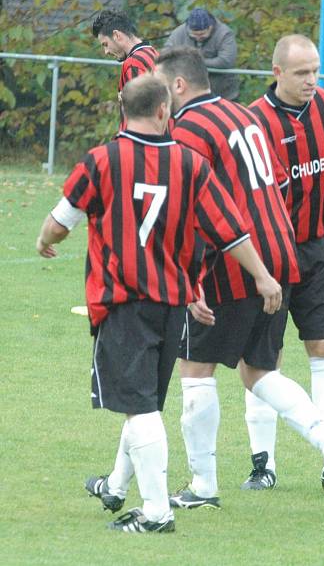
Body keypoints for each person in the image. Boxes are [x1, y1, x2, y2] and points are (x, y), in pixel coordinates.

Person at [35, 75, 279, 533]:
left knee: (139, 408)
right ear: (166, 109)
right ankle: (115, 486)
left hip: (123, 302)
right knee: (143, 402)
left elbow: (60, 221)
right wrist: (263, 277)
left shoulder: (102, 161)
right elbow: (231, 231)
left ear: (122, 109)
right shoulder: (190, 164)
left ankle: (155, 513)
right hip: (172, 305)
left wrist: (45, 239)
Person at [153, 47, 324, 511]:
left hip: (234, 260)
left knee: (195, 370)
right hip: (280, 250)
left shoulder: (187, 130)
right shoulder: (240, 114)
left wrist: (189, 279)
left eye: (158, 87)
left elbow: (193, 210)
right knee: (258, 370)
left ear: (178, 86)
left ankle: (203, 486)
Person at [246, 34, 324, 492]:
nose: (312, 80)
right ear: (277, 73)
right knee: (264, 359)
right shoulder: (254, 123)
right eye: (301, 73)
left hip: (319, 246)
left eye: (315, 70)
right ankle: (263, 464)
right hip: (272, 255)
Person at [91, 10, 159, 129]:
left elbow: (140, 113)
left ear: (117, 35)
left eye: (105, 44)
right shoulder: (153, 53)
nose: (106, 52)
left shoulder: (134, 62)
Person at [164, 8, 240, 101]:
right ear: (188, 28)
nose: (198, 38)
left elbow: (226, 61)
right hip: (190, 94)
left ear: (210, 27)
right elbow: (166, 54)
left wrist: (194, 62)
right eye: (194, 35)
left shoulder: (224, 34)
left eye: (202, 34)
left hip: (223, 93)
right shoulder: (179, 32)